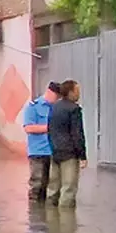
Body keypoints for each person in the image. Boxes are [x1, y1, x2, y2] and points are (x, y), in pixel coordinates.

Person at [46, 79, 87, 208]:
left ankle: (50, 220)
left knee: (53, 189)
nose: (79, 94)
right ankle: (66, 224)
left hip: (55, 152)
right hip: (69, 155)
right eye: (77, 91)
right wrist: (83, 156)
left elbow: (49, 129)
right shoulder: (74, 110)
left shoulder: (54, 107)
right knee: (68, 189)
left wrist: (53, 148)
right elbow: (77, 134)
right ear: (70, 92)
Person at [22, 81, 61, 202]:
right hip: (38, 151)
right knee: (37, 185)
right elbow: (28, 128)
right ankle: (35, 215)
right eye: (56, 96)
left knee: (52, 186)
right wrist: (50, 128)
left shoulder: (57, 109)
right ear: (49, 92)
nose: (57, 99)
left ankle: (48, 217)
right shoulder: (33, 107)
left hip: (54, 151)